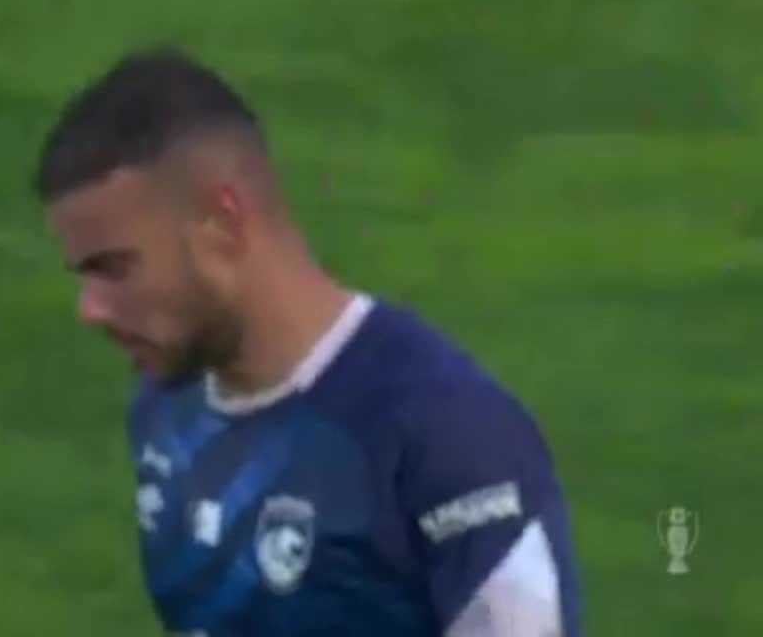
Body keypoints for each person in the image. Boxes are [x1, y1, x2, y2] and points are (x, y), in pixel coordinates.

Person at [32, 46, 582, 636]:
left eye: (115, 268)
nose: (90, 309)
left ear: (221, 222)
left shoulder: (444, 433)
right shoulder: (169, 407)